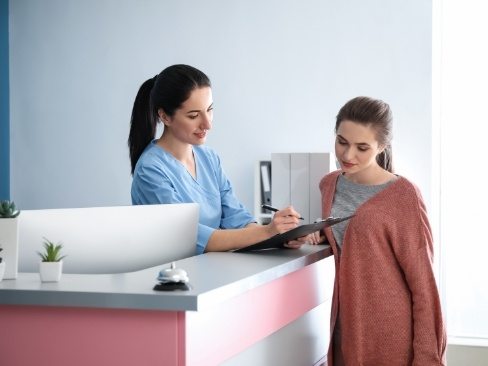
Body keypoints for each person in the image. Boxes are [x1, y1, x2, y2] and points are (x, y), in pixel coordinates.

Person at [317, 96, 446, 365]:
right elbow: (352, 243)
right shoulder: (327, 185)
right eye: (342, 142)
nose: (348, 155)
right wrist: (311, 235)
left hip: (390, 337)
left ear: (382, 146)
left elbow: (423, 284)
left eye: (362, 147)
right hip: (344, 330)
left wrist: (427, 357)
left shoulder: (403, 195)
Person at [128, 64, 307, 254]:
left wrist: (281, 235)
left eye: (209, 110)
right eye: (194, 115)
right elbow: (191, 238)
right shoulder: (151, 170)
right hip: (173, 276)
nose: (207, 124)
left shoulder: (209, 158)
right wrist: (267, 231)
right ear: (164, 116)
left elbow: (236, 219)